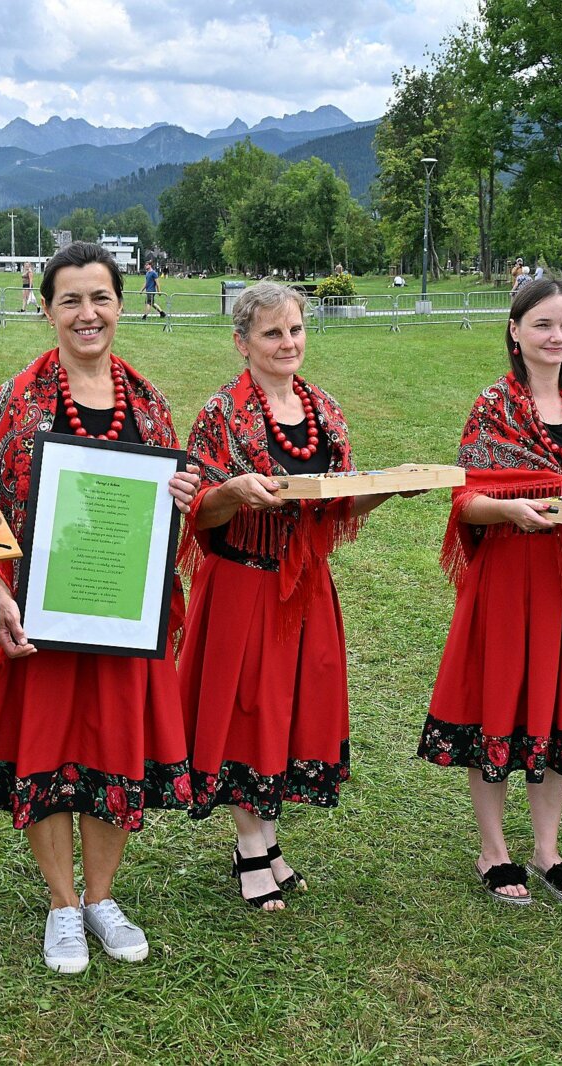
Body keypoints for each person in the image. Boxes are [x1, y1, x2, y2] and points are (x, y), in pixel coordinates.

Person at [0, 242, 199, 973]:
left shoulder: (149, 404)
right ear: (46, 309)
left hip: (120, 609)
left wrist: (182, 496)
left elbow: (173, 511)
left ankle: (102, 898)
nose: (87, 313)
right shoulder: (16, 400)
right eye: (70, 300)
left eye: (100, 297)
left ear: (121, 305)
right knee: (44, 753)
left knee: (114, 752)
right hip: (35, 612)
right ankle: (63, 905)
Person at [177, 283, 414, 910]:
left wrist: (390, 487)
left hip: (305, 585)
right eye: (272, 333)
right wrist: (233, 492)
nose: (287, 343)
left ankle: (267, 842)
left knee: (288, 709)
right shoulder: (221, 412)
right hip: (242, 583)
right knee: (246, 709)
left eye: (296, 330)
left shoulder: (323, 409)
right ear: (242, 343)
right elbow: (197, 512)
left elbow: (337, 504)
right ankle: (250, 848)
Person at [418, 279, 562, 906]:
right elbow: (467, 500)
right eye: (542, 324)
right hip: (510, 577)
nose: (557, 337)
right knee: (500, 703)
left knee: (560, 705)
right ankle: (493, 850)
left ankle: (547, 849)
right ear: (514, 330)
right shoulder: (494, 405)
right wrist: (510, 510)